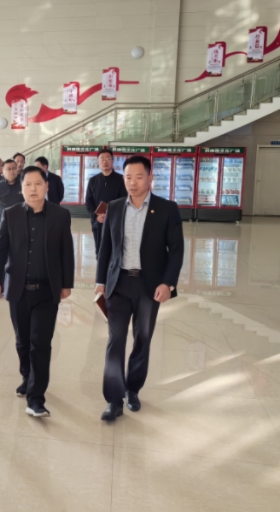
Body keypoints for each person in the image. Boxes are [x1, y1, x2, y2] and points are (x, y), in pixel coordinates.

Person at [95, 155, 184, 422]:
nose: (132, 183)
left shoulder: (166, 208)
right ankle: (113, 399)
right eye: (127, 177)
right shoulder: (114, 207)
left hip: (149, 286)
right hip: (119, 284)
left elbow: (176, 250)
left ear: (149, 178)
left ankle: (132, 389)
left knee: (142, 339)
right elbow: (106, 248)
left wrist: (168, 283)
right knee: (116, 341)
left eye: (138, 177)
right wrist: (100, 282)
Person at [0, 166, 75, 417]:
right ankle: (27, 377)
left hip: (47, 290)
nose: (33, 189)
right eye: (28, 184)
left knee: (41, 343)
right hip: (17, 289)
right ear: (21, 188)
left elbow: (66, 251)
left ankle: (36, 398)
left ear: (46, 186)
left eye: (38, 184)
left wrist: (66, 284)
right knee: (22, 341)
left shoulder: (60, 215)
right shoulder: (11, 214)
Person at [85, 148, 127, 257]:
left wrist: (110, 215)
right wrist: (96, 216)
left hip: (115, 222)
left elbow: (124, 200)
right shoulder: (93, 181)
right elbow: (88, 201)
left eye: (108, 158)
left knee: (114, 251)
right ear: (98, 162)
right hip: (98, 221)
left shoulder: (121, 180)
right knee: (100, 251)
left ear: (112, 161)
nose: (105, 161)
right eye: (102, 159)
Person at [0, 159, 23, 236]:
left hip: (19, 224)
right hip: (2, 223)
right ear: (3, 171)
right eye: (9, 169)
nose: (12, 171)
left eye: (14, 168)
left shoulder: (23, 185)